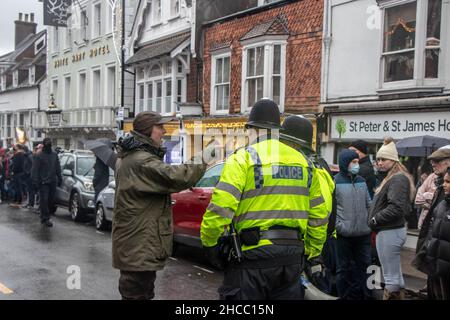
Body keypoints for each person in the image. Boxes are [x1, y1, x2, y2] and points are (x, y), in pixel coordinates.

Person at [200, 99, 329, 300]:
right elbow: (319, 217)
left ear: (252, 129)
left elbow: (220, 208)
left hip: (252, 261)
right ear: (278, 129)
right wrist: (311, 253)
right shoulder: (304, 163)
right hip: (291, 260)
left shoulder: (243, 158)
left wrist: (210, 244)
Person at [112, 111, 210, 300]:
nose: (164, 131)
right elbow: (176, 176)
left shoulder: (133, 157)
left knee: (141, 292)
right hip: (138, 244)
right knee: (138, 293)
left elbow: (165, 179)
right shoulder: (141, 160)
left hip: (136, 244)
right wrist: (203, 158)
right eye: (160, 127)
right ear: (148, 130)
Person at [280, 115, 337, 295]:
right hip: (324, 238)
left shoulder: (297, 164)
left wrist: (312, 252)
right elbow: (332, 206)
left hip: (304, 242)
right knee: (320, 285)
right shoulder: (322, 164)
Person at [368, 137, 416, 300]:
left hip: (389, 231)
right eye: (378, 159)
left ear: (393, 160)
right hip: (388, 231)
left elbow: (396, 207)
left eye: (383, 159)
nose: (379, 162)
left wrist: (375, 220)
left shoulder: (398, 179)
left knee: (390, 277)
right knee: (394, 275)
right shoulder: (393, 177)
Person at [334, 149, 372, 299]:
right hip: (344, 234)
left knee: (367, 267)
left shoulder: (361, 181)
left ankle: (367, 295)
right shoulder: (335, 181)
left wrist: (369, 224)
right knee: (343, 269)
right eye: (354, 162)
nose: (357, 165)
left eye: (357, 162)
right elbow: (331, 208)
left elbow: (369, 204)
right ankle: (343, 296)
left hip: (363, 234)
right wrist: (339, 226)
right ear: (345, 163)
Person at [413, 145, 450, 299]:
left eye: (438, 160)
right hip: (435, 254)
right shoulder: (439, 183)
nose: (433, 164)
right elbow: (418, 199)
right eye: (432, 161)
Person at [424, 167, 450, 300]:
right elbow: (431, 231)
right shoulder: (441, 206)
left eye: (448, 182)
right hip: (435, 269)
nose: (444, 185)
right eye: (444, 181)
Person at [31, 138, 62, 227]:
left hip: (52, 180)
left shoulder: (54, 155)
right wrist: (35, 181)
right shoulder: (39, 155)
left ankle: (45, 214)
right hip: (43, 181)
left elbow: (57, 167)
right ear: (44, 145)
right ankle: (45, 217)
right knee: (44, 199)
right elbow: (35, 169)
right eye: (47, 144)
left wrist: (59, 178)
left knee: (50, 200)